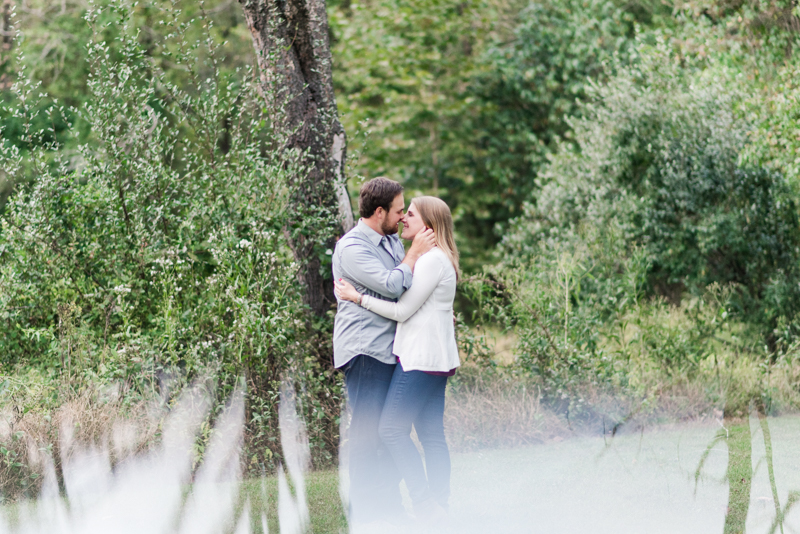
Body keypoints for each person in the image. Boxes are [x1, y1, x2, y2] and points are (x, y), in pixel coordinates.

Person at [335, 196, 460, 524]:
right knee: (431, 434)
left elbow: (402, 307)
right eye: (401, 211)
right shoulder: (435, 258)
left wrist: (357, 297)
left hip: (420, 358)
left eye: (412, 214)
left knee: (390, 429)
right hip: (435, 358)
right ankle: (440, 508)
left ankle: (423, 503)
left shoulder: (430, 260)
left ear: (428, 227)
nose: (404, 218)